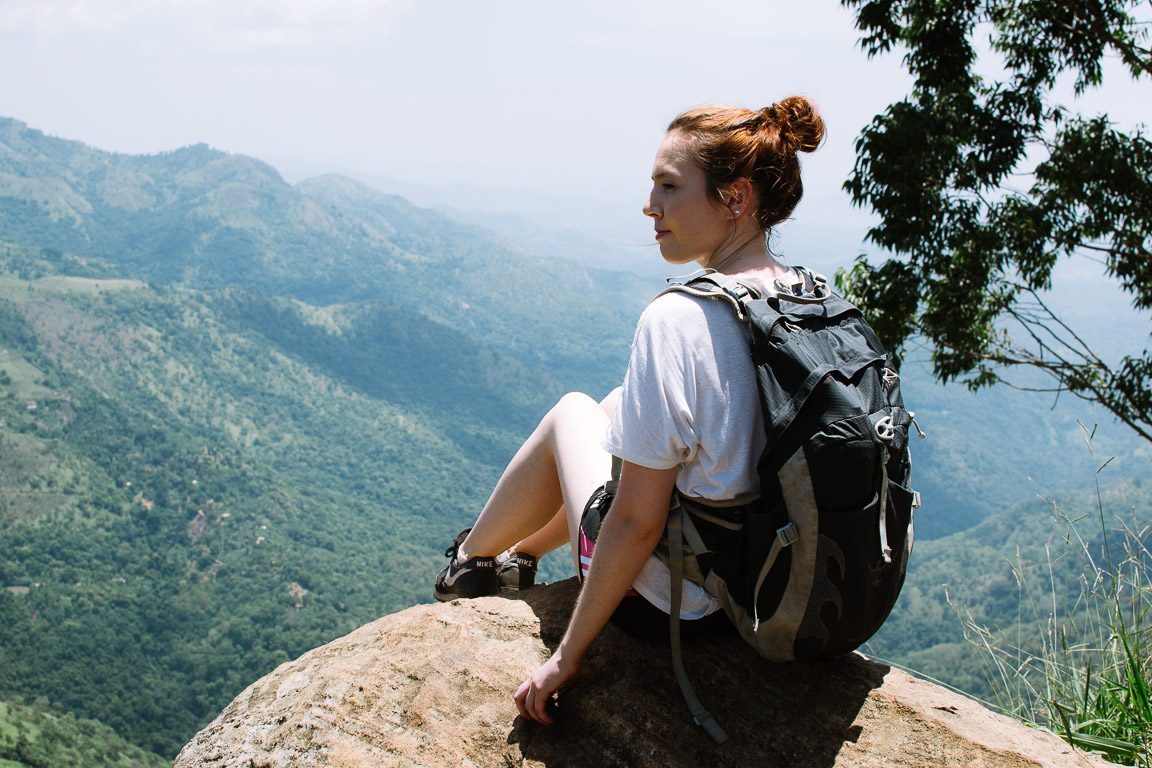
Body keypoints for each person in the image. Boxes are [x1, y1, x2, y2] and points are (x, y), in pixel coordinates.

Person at [433, 97, 826, 726]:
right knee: (616, 408)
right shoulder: (808, 296)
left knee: (571, 413)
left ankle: (466, 567)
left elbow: (637, 524)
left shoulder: (679, 319)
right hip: (759, 585)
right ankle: (520, 560)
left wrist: (566, 655)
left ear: (736, 197)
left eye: (669, 187)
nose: (650, 206)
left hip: (676, 606)